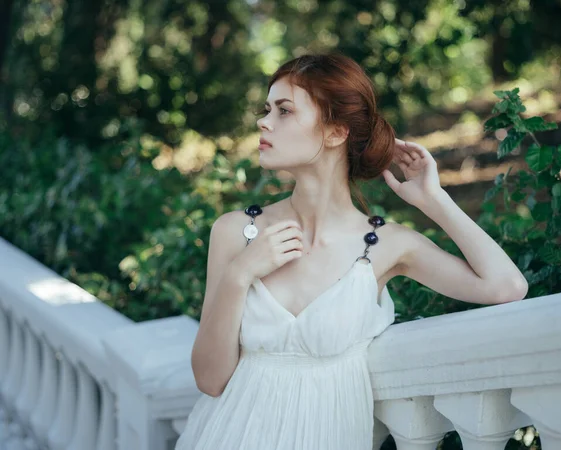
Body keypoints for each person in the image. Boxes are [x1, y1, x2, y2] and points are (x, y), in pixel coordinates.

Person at [174, 52, 528, 450]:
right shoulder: (237, 231)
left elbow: (506, 286)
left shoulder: (389, 244)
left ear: (335, 133)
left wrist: (433, 199)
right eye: (267, 109)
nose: (264, 121)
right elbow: (209, 379)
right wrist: (240, 275)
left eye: (284, 110)